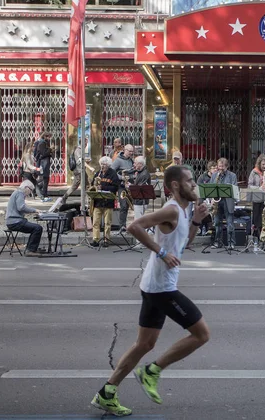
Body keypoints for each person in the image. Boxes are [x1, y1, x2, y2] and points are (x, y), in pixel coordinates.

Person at [90, 165, 210, 417]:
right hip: (162, 288)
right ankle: (151, 372)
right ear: (176, 185)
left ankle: (106, 393)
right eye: (189, 181)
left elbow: (184, 243)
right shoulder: (170, 209)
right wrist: (161, 252)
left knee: (144, 344)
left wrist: (197, 220)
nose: (194, 185)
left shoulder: (184, 211)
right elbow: (134, 226)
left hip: (153, 284)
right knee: (201, 335)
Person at [5, 180, 43, 257]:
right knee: (38, 228)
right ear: (26, 188)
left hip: (12, 221)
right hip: (15, 222)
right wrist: (35, 210)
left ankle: (31, 248)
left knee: (35, 228)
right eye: (31, 190)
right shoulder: (20, 193)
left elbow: (20, 208)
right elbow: (21, 207)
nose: (30, 193)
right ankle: (30, 250)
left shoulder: (17, 192)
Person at [90, 156, 119, 248]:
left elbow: (115, 187)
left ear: (108, 165)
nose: (102, 166)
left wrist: (103, 187)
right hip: (98, 201)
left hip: (108, 201)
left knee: (107, 223)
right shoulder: (98, 173)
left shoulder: (113, 174)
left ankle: (107, 240)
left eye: (105, 164)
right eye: (101, 164)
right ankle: (96, 239)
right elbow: (92, 185)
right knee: (95, 222)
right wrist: (94, 185)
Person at [210, 158, 238, 249]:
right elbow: (210, 188)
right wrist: (212, 199)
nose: (220, 168)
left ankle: (231, 243)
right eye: (219, 166)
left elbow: (234, 189)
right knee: (217, 223)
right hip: (218, 202)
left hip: (228, 201)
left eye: (222, 166)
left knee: (230, 223)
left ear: (226, 166)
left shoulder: (232, 176)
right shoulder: (214, 175)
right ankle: (218, 242)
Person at [112, 144, 135, 231]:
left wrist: (133, 176)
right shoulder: (118, 160)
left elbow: (132, 171)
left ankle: (125, 225)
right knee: (123, 206)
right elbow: (112, 171)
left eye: (132, 151)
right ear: (125, 150)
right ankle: (122, 226)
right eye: (130, 151)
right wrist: (121, 178)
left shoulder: (131, 160)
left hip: (129, 185)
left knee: (129, 206)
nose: (131, 153)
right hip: (121, 186)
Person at [196, 160, 217, 235]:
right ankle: (204, 227)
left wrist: (213, 199)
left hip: (214, 198)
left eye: (216, 168)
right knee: (202, 206)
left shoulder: (218, 177)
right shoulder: (202, 177)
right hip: (204, 198)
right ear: (209, 169)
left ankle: (210, 227)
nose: (215, 170)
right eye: (213, 168)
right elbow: (199, 190)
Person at [130, 156, 152, 220]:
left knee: (138, 220)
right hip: (140, 201)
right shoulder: (140, 172)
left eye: (135, 163)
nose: (134, 165)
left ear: (140, 164)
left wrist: (131, 186)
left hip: (141, 201)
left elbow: (139, 188)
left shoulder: (144, 174)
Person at [35, 131, 53, 203]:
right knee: (45, 178)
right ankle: (42, 193)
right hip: (43, 162)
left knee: (45, 178)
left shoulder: (44, 142)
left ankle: (43, 193)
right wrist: (50, 149)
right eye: (48, 137)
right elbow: (43, 153)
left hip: (45, 162)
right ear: (45, 136)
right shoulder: (42, 143)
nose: (49, 138)